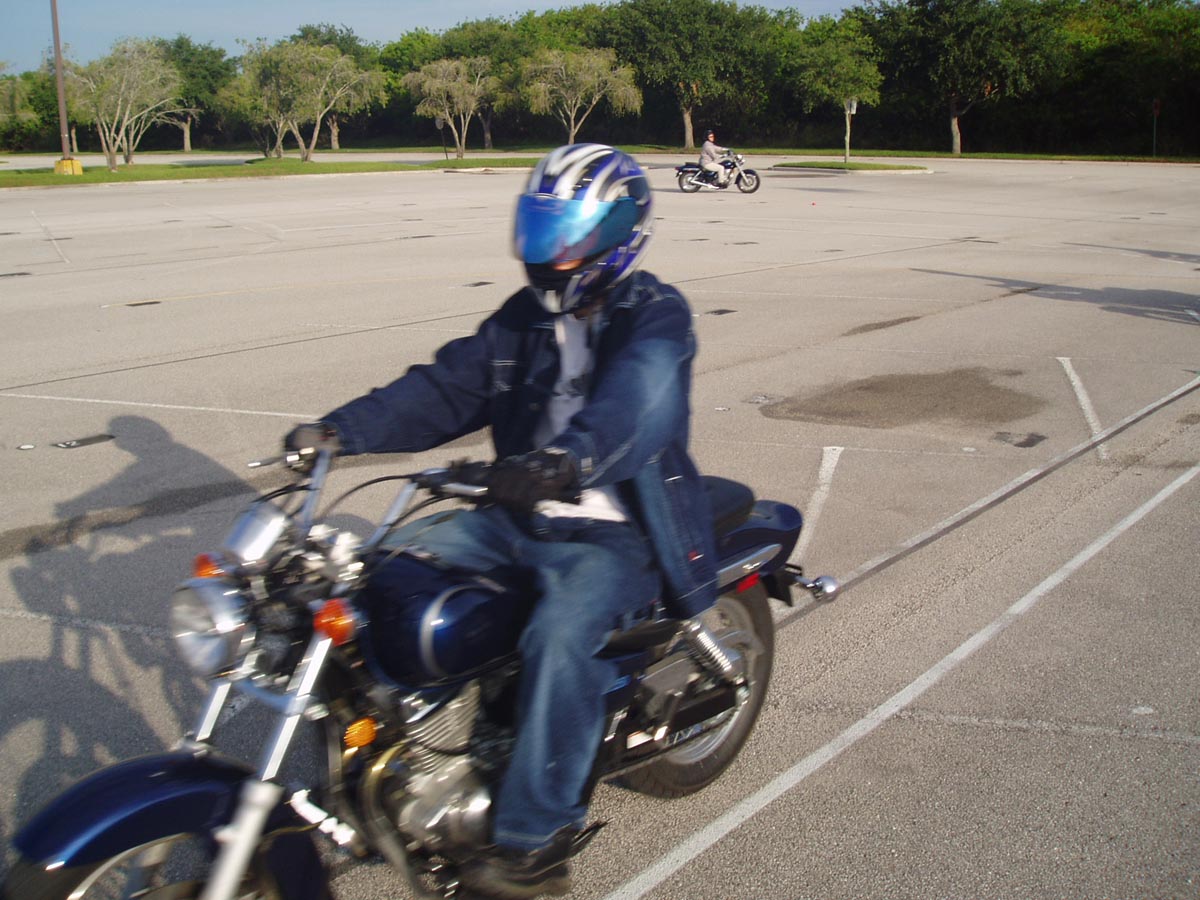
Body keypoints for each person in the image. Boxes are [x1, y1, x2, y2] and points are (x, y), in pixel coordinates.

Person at [284, 144, 717, 900]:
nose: (552, 254)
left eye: (569, 236)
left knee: (562, 633)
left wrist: (567, 461)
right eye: (543, 231)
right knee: (376, 578)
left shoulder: (657, 314)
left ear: (621, 236)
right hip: (514, 513)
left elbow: (640, 400)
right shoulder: (521, 320)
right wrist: (339, 430)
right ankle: (389, 755)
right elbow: (444, 389)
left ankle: (536, 840)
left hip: (615, 528)